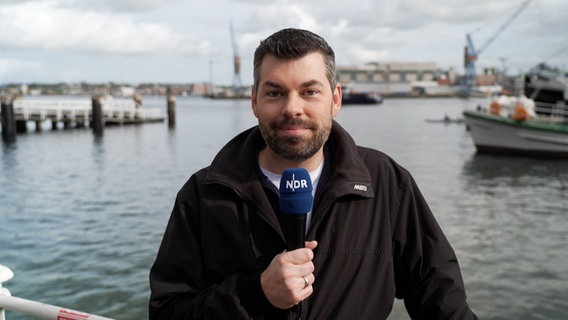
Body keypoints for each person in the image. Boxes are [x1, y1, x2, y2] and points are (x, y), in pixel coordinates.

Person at [149, 28, 478, 319]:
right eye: (275, 92)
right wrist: (254, 294)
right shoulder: (205, 194)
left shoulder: (387, 182)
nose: (293, 108)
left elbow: (442, 301)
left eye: (309, 91)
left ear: (335, 99)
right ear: (254, 101)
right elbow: (167, 311)